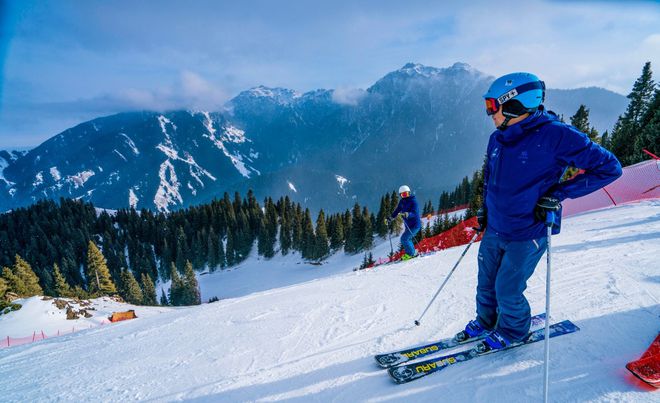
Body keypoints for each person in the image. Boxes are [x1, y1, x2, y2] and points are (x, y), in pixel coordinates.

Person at [456, 72, 622, 351]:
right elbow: (490, 178)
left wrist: (558, 194)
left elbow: (610, 168)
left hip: (528, 230)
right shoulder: (497, 139)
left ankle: (513, 331)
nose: (489, 113)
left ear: (515, 105)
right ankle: (486, 322)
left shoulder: (556, 135)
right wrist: (485, 210)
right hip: (496, 226)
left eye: (492, 106)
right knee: (486, 284)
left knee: (507, 288)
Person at [388, 185, 422, 260]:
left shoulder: (413, 201)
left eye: (406, 194)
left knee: (404, 239)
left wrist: (408, 214)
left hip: (415, 225)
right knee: (407, 238)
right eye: (403, 194)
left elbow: (415, 213)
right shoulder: (402, 201)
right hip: (408, 226)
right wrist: (391, 218)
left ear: (409, 193)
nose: (405, 196)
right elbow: (397, 210)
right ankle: (413, 252)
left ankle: (410, 254)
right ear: (401, 195)